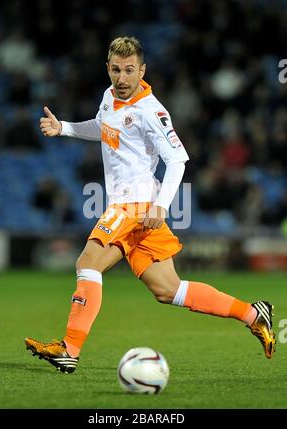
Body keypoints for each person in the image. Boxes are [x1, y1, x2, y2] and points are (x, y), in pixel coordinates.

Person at [25, 36, 276, 374]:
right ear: (108, 69)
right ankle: (253, 314)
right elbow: (103, 127)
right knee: (168, 289)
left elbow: (178, 161)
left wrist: (160, 205)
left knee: (88, 263)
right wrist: (64, 128)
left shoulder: (151, 111)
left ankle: (69, 349)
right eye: (116, 70)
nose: (122, 78)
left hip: (136, 203)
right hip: (131, 207)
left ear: (141, 70)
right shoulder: (109, 97)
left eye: (129, 70)